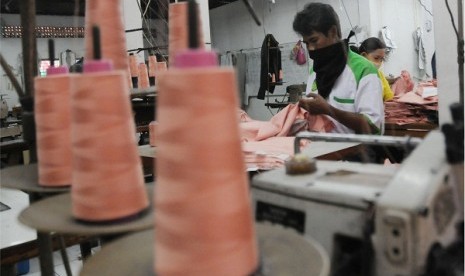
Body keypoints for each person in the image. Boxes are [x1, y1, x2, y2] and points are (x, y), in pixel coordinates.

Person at [293, 3, 384, 135]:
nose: (310, 49)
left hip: (357, 153)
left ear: (333, 32)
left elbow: (372, 126)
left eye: (314, 40)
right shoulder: (315, 70)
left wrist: (329, 110)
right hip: (321, 151)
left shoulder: (364, 70)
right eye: (306, 43)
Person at [356, 37, 394, 102]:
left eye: (382, 59)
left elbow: (389, 97)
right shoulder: (354, 74)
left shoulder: (380, 75)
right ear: (363, 55)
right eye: (376, 58)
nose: (379, 63)